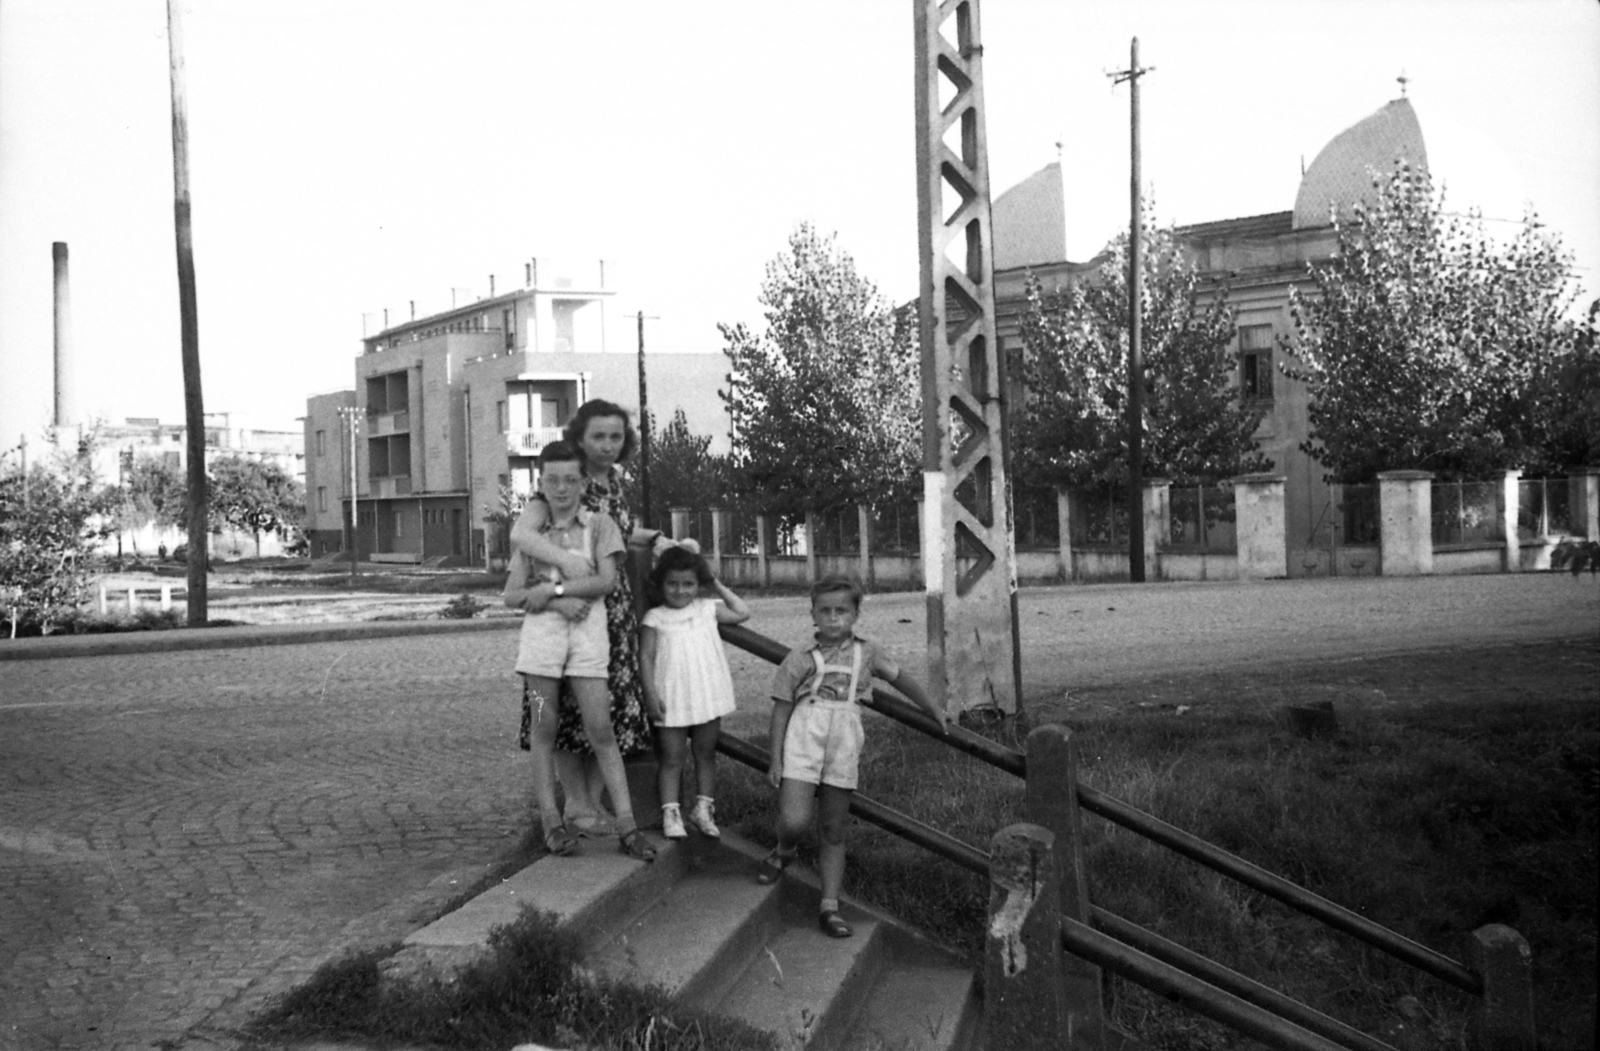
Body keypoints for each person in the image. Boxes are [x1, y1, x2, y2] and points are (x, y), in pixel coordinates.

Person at [758, 575, 948, 938]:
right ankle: (783, 849)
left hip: (844, 738)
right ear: (812, 614)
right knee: (795, 819)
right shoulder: (799, 657)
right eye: (825, 611)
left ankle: (829, 905)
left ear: (855, 613)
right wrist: (775, 759)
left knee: (832, 828)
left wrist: (932, 708)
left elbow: (900, 679)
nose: (833, 618)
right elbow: (781, 710)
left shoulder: (869, 651)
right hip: (804, 735)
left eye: (842, 611)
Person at [510, 400, 662, 834]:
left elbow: (619, 530)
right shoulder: (558, 489)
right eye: (598, 436)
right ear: (579, 438)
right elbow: (522, 534)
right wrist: (568, 566)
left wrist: (661, 540)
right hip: (566, 608)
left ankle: (590, 803)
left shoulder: (615, 483)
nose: (608, 445)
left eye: (616, 437)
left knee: (606, 711)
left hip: (611, 611)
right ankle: (574, 801)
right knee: (561, 710)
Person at [639, 539, 751, 840]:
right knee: (672, 757)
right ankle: (671, 812)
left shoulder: (706, 609)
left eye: (688, 583)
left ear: (698, 584)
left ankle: (703, 809)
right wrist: (650, 692)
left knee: (705, 752)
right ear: (661, 584)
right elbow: (646, 657)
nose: (680, 590)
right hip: (671, 695)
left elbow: (742, 611)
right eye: (672, 584)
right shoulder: (655, 617)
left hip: (706, 692)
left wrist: (714, 582)